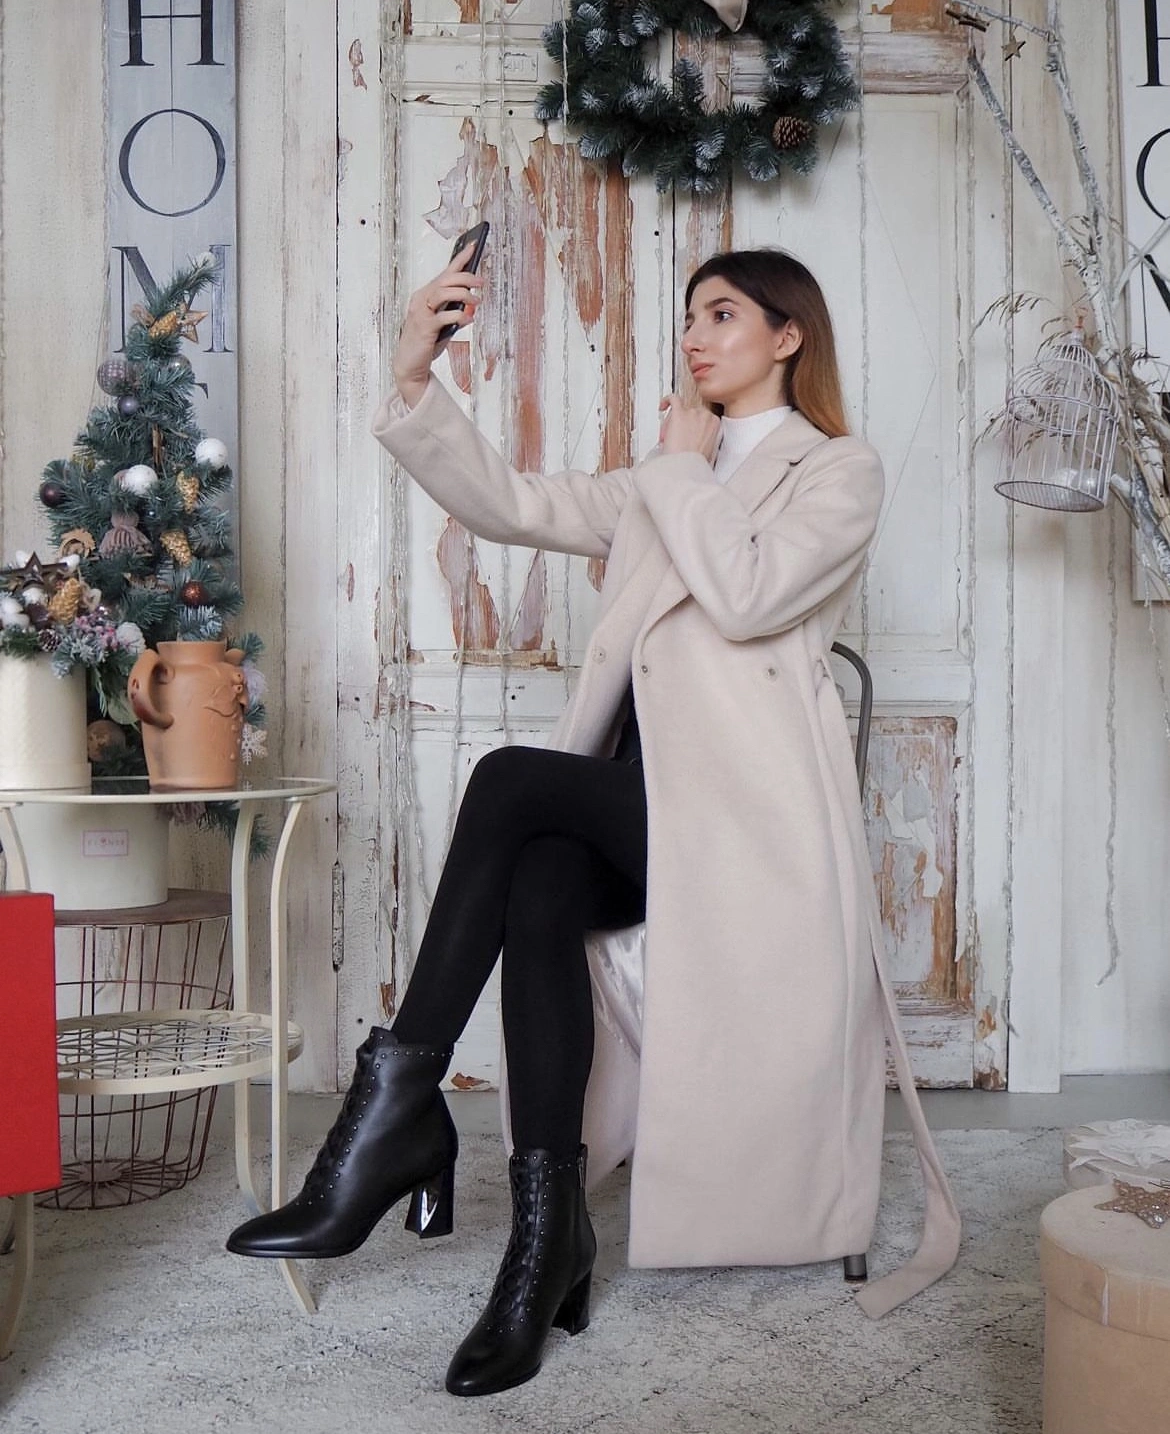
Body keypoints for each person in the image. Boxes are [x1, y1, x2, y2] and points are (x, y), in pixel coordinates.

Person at [227, 246, 960, 1395]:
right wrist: (416, 375)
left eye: (724, 315)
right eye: (689, 317)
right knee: (541, 881)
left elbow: (749, 594)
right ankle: (543, 1243)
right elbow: (512, 504)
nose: (695, 336)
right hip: (644, 813)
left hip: (750, 830)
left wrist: (678, 468)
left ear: (788, 336)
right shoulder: (667, 473)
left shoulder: (837, 470)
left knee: (512, 783)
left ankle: (394, 1112)